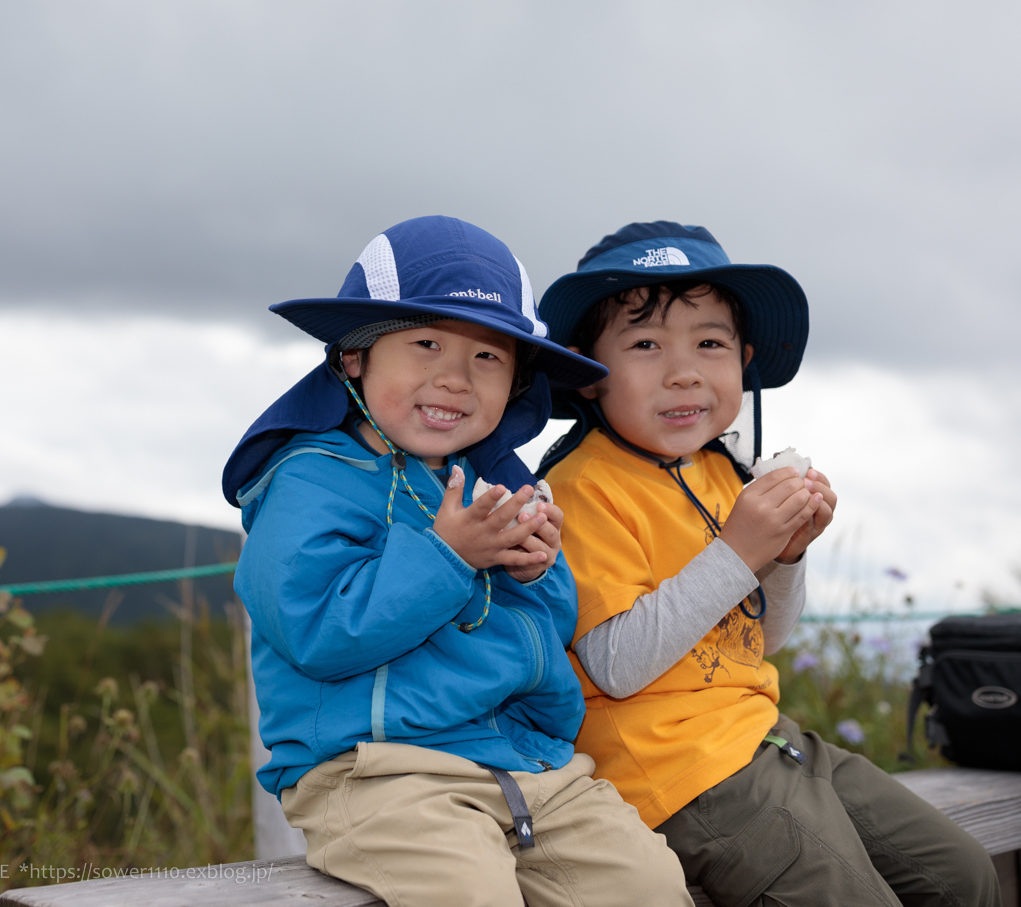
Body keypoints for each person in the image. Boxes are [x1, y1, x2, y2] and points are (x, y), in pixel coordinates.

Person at [222, 216, 693, 907]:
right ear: (354, 355)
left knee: (650, 883)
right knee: (469, 893)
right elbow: (316, 630)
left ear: (517, 381)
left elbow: (546, 634)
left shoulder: (497, 483)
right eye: (425, 343)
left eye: (488, 357)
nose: (454, 378)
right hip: (375, 774)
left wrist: (538, 572)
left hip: (524, 765)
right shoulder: (307, 481)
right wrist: (448, 555)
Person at [538, 221, 1002, 907]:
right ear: (588, 374)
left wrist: (785, 554)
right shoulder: (581, 486)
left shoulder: (724, 473)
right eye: (644, 344)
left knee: (962, 874)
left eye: (710, 343)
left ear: (744, 359)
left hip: (764, 737)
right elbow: (613, 663)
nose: (684, 370)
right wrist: (739, 551)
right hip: (674, 769)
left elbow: (766, 636)